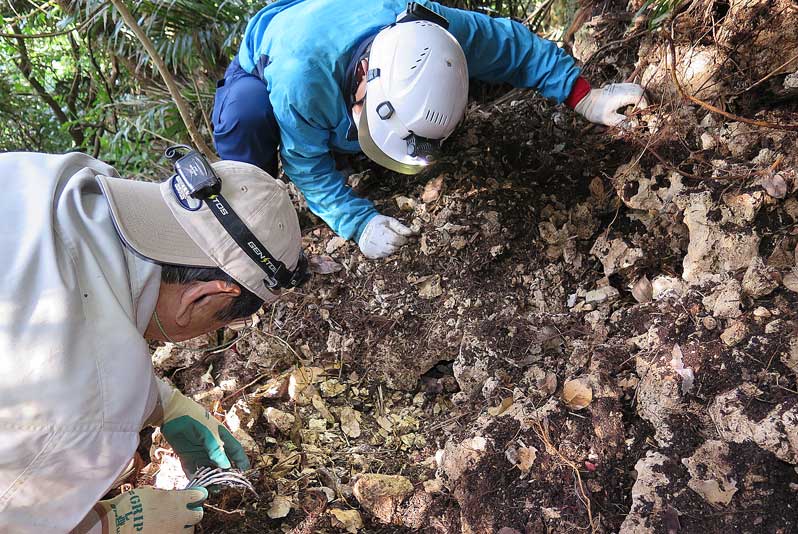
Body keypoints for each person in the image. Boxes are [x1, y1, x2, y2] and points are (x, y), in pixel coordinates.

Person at [0, 150, 309, 533]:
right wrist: (108, 526)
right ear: (203, 297)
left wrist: (164, 403)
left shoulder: (66, 178)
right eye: (223, 321)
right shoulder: (80, 413)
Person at [212, 0, 647, 259]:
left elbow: (513, 48)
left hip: (345, 35)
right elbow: (306, 166)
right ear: (363, 78)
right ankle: (243, 206)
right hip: (278, 45)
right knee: (245, 116)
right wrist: (357, 223)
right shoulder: (298, 84)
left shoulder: (430, 29)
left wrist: (585, 96)